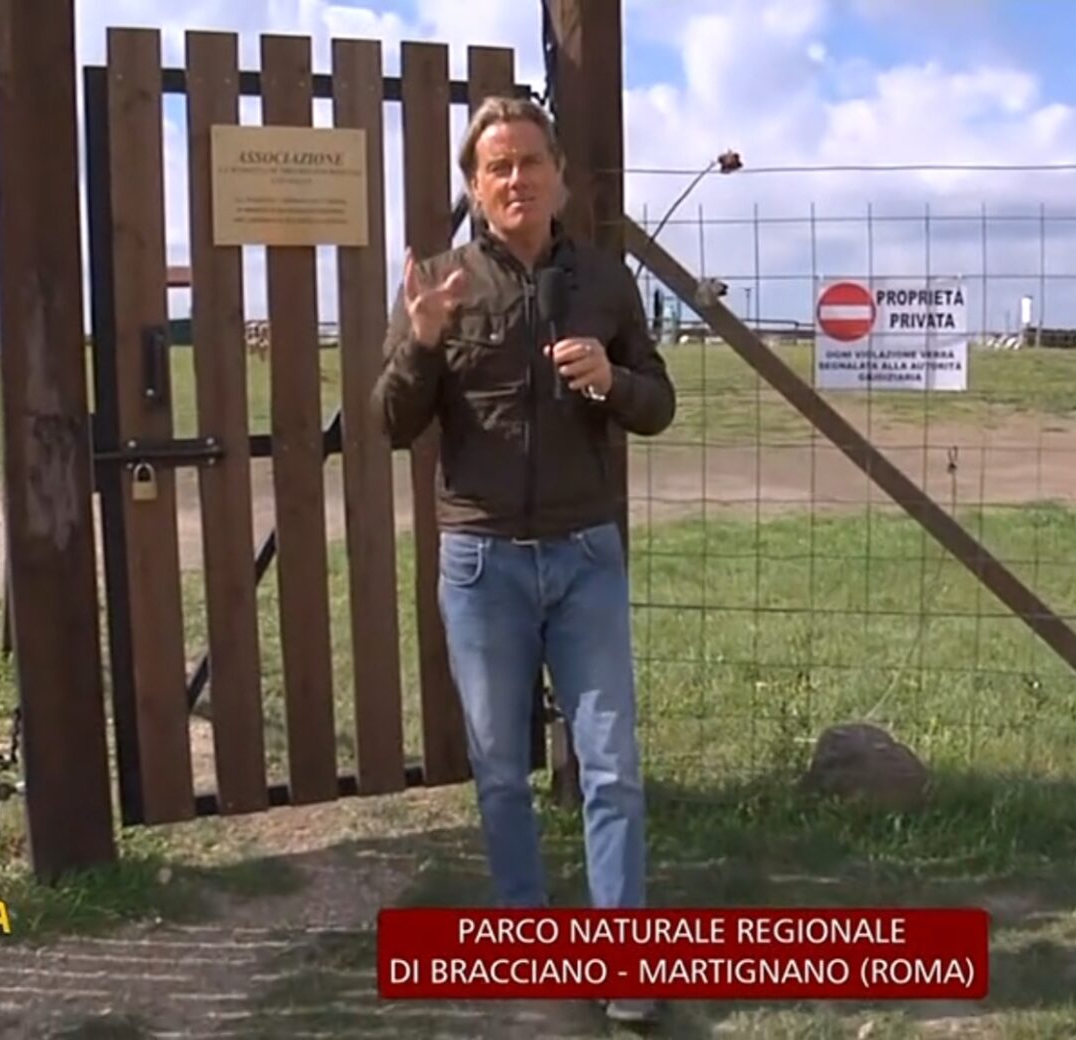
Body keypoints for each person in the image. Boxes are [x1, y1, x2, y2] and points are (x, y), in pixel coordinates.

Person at [370, 96, 674, 1025]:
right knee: (500, 767)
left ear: (560, 178)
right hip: (481, 563)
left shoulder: (605, 282)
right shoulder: (443, 284)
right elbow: (391, 423)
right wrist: (421, 344)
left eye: (530, 162)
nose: (515, 180)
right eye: (496, 168)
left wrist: (611, 381)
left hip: (585, 556)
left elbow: (658, 403)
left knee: (612, 765)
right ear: (474, 187)